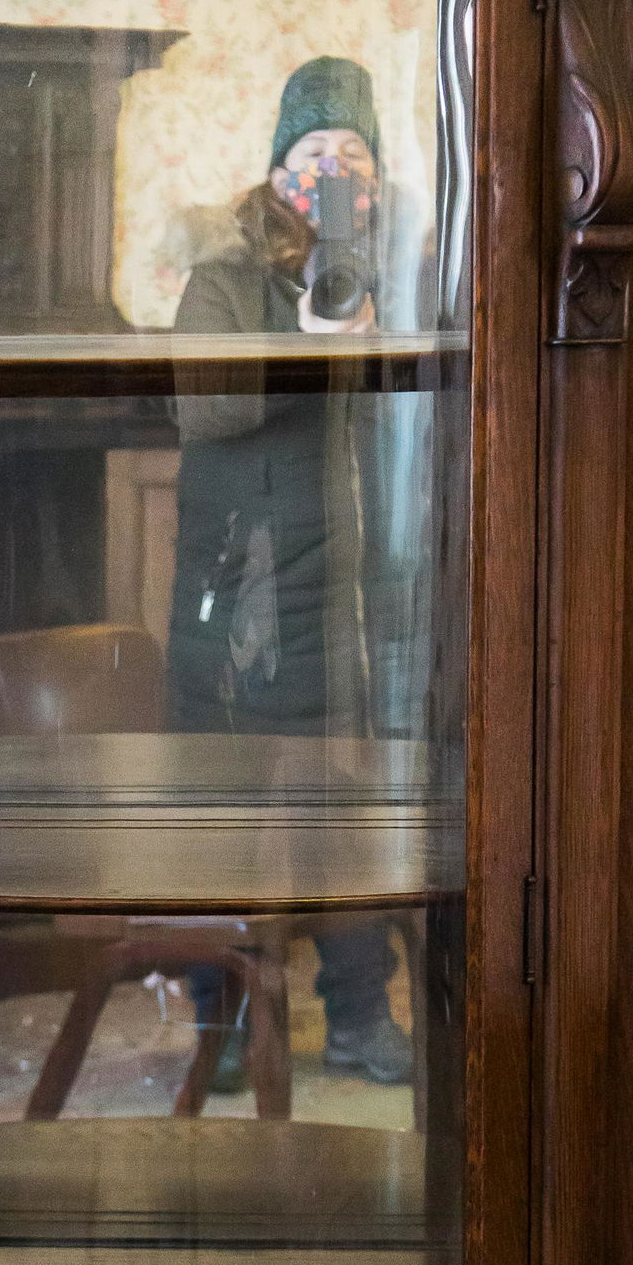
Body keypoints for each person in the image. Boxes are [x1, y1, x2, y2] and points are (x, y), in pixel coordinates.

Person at [169, 56, 413, 1091]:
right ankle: (219, 1024)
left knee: (345, 825)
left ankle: (357, 1019)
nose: (329, 171)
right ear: (277, 171)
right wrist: (304, 342)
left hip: (357, 597)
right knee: (231, 824)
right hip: (248, 600)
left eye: (350, 153)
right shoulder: (223, 277)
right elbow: (206, 409)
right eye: (310, 152)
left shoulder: (396, 271)